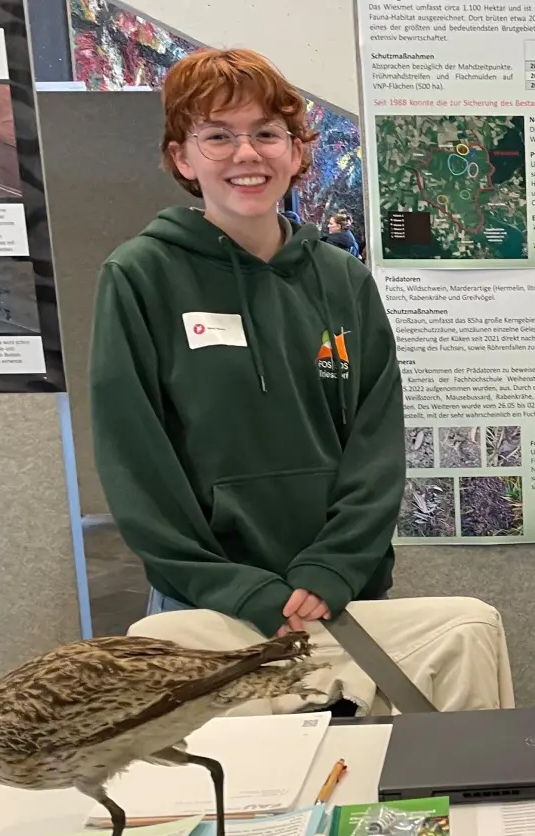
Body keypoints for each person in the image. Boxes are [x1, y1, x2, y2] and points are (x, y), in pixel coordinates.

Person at [89, 47, 405, 639]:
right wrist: (234, 586)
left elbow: (377, 443)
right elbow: (135, 459)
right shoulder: (140, 276)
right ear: (182, 157)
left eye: (266, 133)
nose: (246, 154)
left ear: (297, 150)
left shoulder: (344, 280)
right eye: (217, 136)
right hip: (208, 603)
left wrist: (335, 565)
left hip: (340, 591)